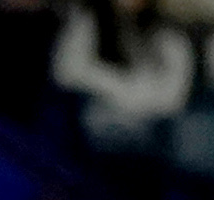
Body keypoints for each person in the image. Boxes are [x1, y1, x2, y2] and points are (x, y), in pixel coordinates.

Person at [50, 0, 195, 151]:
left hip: (153, 129)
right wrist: (121, 86)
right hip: (96, 124)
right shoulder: (89, 22)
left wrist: (132, 95)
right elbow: (66, 72)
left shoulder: (171, 35)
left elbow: (173, 100)